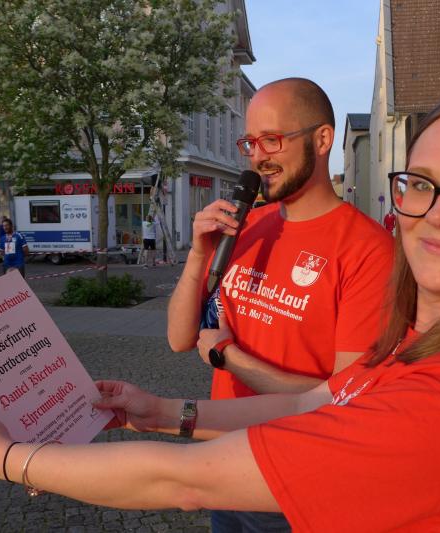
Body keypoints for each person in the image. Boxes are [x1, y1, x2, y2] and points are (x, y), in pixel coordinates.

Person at [0, 84, 440, 530]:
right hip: (243, 453)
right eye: (421, 183)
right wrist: (159, 410)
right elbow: (321, 399)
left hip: (277, 479)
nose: (437, 213)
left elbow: (184, 480)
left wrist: (9, 459)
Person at [169, 77, 394, 532]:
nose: (257, 157)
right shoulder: (249, 224)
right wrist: (196, 254)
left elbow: (346, 400)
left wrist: (227, 355)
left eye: (271, 139)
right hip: (225, 459)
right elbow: (178, 338)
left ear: (322, 140)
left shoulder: (369, 250)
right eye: (250, 143)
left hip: (294, 478)